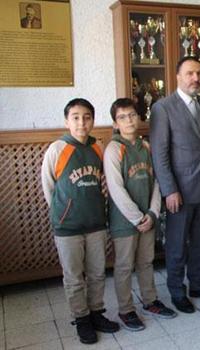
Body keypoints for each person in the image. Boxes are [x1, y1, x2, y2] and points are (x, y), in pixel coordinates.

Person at [41, 98, 119, 344]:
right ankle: (81, 318)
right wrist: (63, 213)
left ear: (93, 120)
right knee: (74, 276)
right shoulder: (58, 149)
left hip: (95, 222)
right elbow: (49, 188)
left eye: (86, 117)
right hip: (68, 226)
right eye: (75, 117)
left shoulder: (98, 147)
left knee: (97, 273)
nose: (81, 122)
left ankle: (96, 313)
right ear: (67, 120)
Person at [150, 56, 200, 313]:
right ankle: (177, 292)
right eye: (190, 73)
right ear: (178, 77)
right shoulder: (163, 108)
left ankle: (198, 285)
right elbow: (159, 154)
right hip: (179, 191)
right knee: (177, 244)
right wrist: (169, 189)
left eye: (199, 74)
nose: (196, 78)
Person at [104, 98, 177, 331]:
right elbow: (116, 189)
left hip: (148, 217)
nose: (129, 120)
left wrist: (153, 213)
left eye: (132, 115)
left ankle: (150, 301)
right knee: (124, 266)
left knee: (146, 262)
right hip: (125, 221)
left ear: (139, 117)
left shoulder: (145, 146)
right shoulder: (114, 149)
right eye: (122, 117)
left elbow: (157, 182)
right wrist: (137, 218)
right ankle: (126, 310)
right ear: (115, 123)